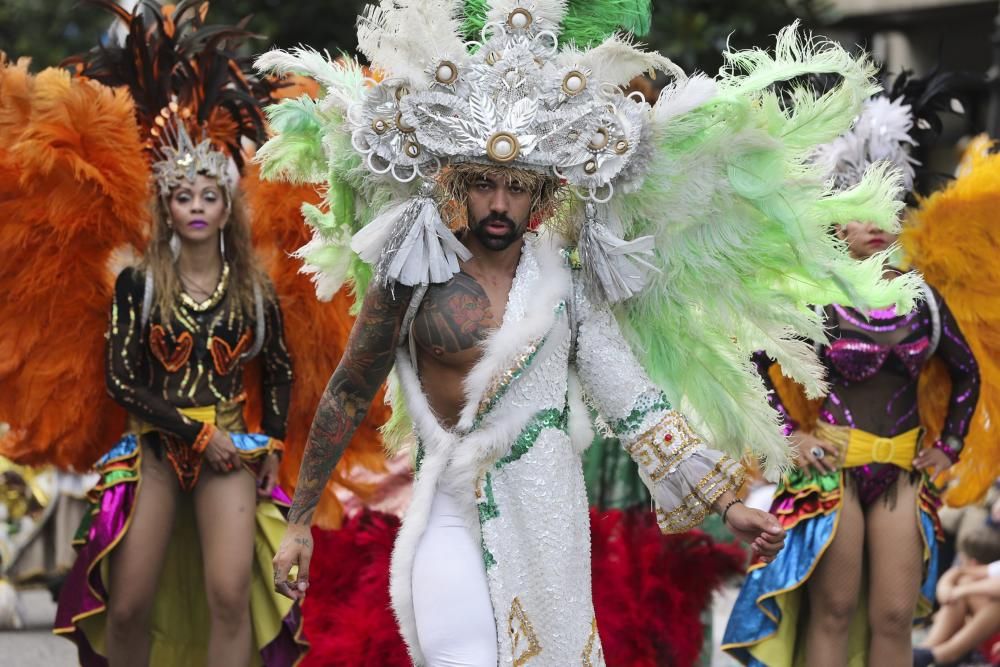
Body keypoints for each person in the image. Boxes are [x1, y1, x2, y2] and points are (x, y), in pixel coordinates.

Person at [257, 2, 915, 664]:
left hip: (552, 527)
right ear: (455, 181)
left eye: (516, 188)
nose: (497, 204)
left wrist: (732, 500)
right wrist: (300, 523)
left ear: (543, 195)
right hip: (449, 515)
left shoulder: (565, 287)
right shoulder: (413, 272)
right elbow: (347, 390)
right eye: (483, 183)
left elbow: (633, 402)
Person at [723, 88, 982, 667]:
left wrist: (951, 446)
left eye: (888, 210)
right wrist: (792, 433)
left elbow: (966, 376)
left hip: (901, 469)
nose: (877, 225)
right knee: (833, 610)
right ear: (836, 224)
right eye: (862, 211)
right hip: (832, 470)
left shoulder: (923, 302)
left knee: (894, 615)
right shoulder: (816, 299)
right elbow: (758, 364)